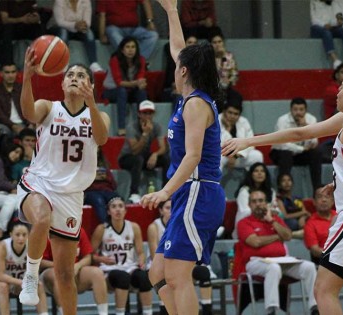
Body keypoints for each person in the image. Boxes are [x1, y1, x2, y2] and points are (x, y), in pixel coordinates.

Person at [221, 66, 343, 315]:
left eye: (342, 86)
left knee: (323, 290)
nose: (336, 90)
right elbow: (299, 133)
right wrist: (249, 141)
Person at [139, 1, 226, 314]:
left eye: (178, 65)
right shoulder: (192, 96)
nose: (174, 66)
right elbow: (179, 48)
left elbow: (193, 156)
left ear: (184, 71)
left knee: (176, 276)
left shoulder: (195, 105)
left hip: (197, 192)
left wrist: (164, 192)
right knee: (158, 274)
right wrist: (171, 11)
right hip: (188, 194)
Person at [17, 48, 110, 314]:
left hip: (70, 195)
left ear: (89, 85)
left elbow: (102, 139)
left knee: (66, 276)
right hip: (39, 183)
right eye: (69, 74)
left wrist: (91, 103)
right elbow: (27, 112)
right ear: (61, 82)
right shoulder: (49, 107)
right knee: (42, 218)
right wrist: (26, 78)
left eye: (81, 75)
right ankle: (31, 277)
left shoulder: (98, 116)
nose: (73, 78)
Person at [237, 189, 318, 315]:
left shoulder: (274, 220)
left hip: (282, 260)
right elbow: (255, 242)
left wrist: (272, 221)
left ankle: (315, 308)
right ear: (249, 205)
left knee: (309, 267)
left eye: (261, 201)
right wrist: (277, 236)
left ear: (266, 203)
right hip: (255, 262)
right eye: (254, 201)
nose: (258, 204)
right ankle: (272, 310)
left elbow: (288, 235)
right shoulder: (244, 223)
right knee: (273, 268)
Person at [90, 197, 153, 315]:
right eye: (114, 207)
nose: (117, 210)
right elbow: (90, 255)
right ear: (108, 211)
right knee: (122, 277)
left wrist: (141, 261)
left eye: (120, 206)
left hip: (129, 267)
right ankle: (120, 313)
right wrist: (100, 259)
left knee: (145, 277)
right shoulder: (101, 229)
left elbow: (140, 252)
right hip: (109, 270)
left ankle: (148, 312)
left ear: (125, 210)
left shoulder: (134, 227)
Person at [41, 226, 108, 315]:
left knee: (97, 273)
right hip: (51, 273)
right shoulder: (47, 231)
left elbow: (88, 257)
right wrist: (61, 267)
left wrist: (78, 265)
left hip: (74, 271)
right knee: (59, 275)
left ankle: (103, 313)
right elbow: (40, 262)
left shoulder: (78, 230)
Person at [0, 219, 49, 315]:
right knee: (3, 287)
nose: (21, 238)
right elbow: (0, 275)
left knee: (38, 285)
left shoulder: (32, 246)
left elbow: (34, 270)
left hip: (20, 279)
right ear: (11, 234)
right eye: (17, 235)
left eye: (24, 235)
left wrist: (24, 283)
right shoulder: (2, 246)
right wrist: (21, 282)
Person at [118, 100, 169, 204]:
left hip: (143, 156)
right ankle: (134, 193)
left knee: (166, 158)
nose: (147, 116)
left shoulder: (157, 126)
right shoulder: (132, 127)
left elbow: (163, 147)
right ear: (139, 114)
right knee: (138, 159)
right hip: (127, 157)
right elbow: (135, 150)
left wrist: (155, 154)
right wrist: (145, 134)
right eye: (145, 113)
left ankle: (166, 190)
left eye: (150, 113)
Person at [270, 97, 323, 191]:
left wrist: (305, 126)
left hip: (300, 154)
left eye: (301, 109)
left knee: (316, 152)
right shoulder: (282, 120)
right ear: (291, 110)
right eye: (295, 109)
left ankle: (317, 188)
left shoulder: (311, 119)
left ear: (306, 110)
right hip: (280, 153)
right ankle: (283, 191)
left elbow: (314, 142)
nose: (298, 112)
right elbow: (282, 144)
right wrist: (301, 149)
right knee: (286, 154)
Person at [102, 37, 148, 136]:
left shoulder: (141, 60)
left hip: (129, 90)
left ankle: (143, 126)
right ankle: (121, 128)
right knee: (121, 91)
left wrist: (141, 84)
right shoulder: (115, 60)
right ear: (122, 50)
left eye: (133, 47)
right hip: (111, 91)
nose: (131, 50)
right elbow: (119, 82)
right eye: (127, 47)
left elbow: (140, 77)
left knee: (142, 93)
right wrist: (137, 83)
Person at [234, 162, 285, 238]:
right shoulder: (244, 191)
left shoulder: (271, 191)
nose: (259, 173)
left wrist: (274, 211)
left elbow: (276, 209)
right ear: (251, 174)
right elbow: (244, 211)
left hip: (266, 221)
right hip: (248, 222)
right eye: (256, 171)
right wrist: (265, 210)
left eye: (262, 171)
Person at [50, 0, 103, 72]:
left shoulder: (86, 1)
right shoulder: (60, 1)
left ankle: (93, 63)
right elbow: (60, 22)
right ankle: (62, 63)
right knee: (63, 33)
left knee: (89, 32)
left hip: (78, 28)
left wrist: (83, 26)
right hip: (58, 27)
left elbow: (87, 22)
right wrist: (74, 25)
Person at [0, 0, 44, 65]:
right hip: (7, 29)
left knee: (40, 28)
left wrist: (33, 19)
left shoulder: (31, 1)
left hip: (23, 28)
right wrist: (21, 19)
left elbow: (36, 16)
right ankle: (8, 64)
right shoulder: (4, 1)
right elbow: (5, 20)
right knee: (8, 29)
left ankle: (41, 61)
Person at [0, 63, 30, 140]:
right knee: (1, 131)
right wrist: (12, 125)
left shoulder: (22, 88)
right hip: (4, 124)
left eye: (13, 72)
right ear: (1, 74)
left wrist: (30, 123)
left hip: (24, 124)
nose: (10, 75)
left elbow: (29, 107)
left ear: (16, 73)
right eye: (7, 72)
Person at [310, 0, 343, 69]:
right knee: (326, 33)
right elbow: (314, 20)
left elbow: (336, 19)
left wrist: (338, 22)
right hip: (317, 27)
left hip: (331, 27)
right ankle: (335, 61)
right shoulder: (314, 2)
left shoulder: (334, 3)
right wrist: (324, 25)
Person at [219, 102, 263, 171]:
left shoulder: (244, 122)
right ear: (224, 112)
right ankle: (215, 181)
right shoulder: (216, 120)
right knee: (217, 159)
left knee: (257, 155)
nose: (232, 116)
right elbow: (218, 144)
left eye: (236, 114)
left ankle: (252, 181)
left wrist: (236, 156)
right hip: (222, 156)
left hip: (238, 156)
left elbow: (251, 143)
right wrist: (227, 129)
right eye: (230, 113)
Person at [84, 148, 119, 223]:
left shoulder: (104, 165)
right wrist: (92, 177)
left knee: (116, 199)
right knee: (99, 200)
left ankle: (118, 224)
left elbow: (114, 185)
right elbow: (80, 183)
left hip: (106, 190)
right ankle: (106, 225)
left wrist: (106, 177)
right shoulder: (82, 165)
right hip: (90, 191)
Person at [210, 32, 243, 112]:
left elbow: (235, 74)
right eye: (214, 42)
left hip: (227, 87)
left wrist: (230, 80)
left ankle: (232, 121)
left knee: (237, 96)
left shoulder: (229, 57)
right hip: (213, 89)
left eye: (219, 42)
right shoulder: (208, 58)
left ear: (223, 43)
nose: (217, 44)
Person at [304, 186, 336, 265]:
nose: (324, 200)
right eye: (320, 197)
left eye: (327, 196)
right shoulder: (310, 223)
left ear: (333, 201)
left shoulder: (341, 216)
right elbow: (315, 251)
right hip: (326, 264)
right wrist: (337, 256)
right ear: (314, 202)